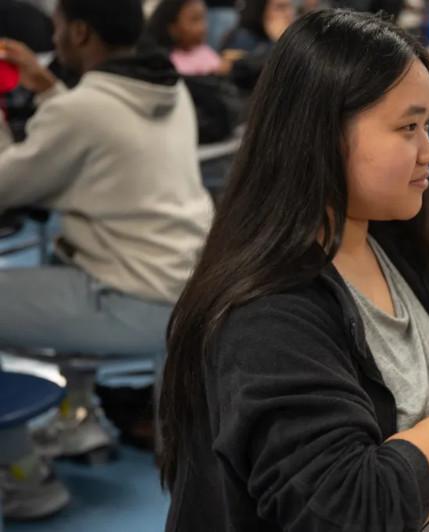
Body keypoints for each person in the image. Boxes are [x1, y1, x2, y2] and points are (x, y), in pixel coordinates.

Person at [159, 10, 429, 531]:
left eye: (427, 124)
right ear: (322, 135)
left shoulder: (384, 234)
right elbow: (347, 510)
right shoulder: (268, 314)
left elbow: (386, 389)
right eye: (408, 127)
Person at [0, 0, 212, 518]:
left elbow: (8, 183)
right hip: (189, 290)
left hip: (131, 303)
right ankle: (76, 419)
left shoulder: (83, 111)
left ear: (78, 31)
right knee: (66, 252)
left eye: (56, 29)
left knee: (65, 260)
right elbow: (97, 123)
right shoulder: (168, 87)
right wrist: (45, 86)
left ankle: (22, 473)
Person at [220, 0, 296, 91]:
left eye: (290, 7)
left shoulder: (295, 37)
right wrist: (279, 42)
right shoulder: (242, 37)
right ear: (261, 9)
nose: (289, 13)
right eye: (280, 8)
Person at [145, 0, 226, 76]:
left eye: (203, 18)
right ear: (173, 28)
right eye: (195, 20)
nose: (203, 27)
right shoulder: (164, 64)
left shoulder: (207, 52)